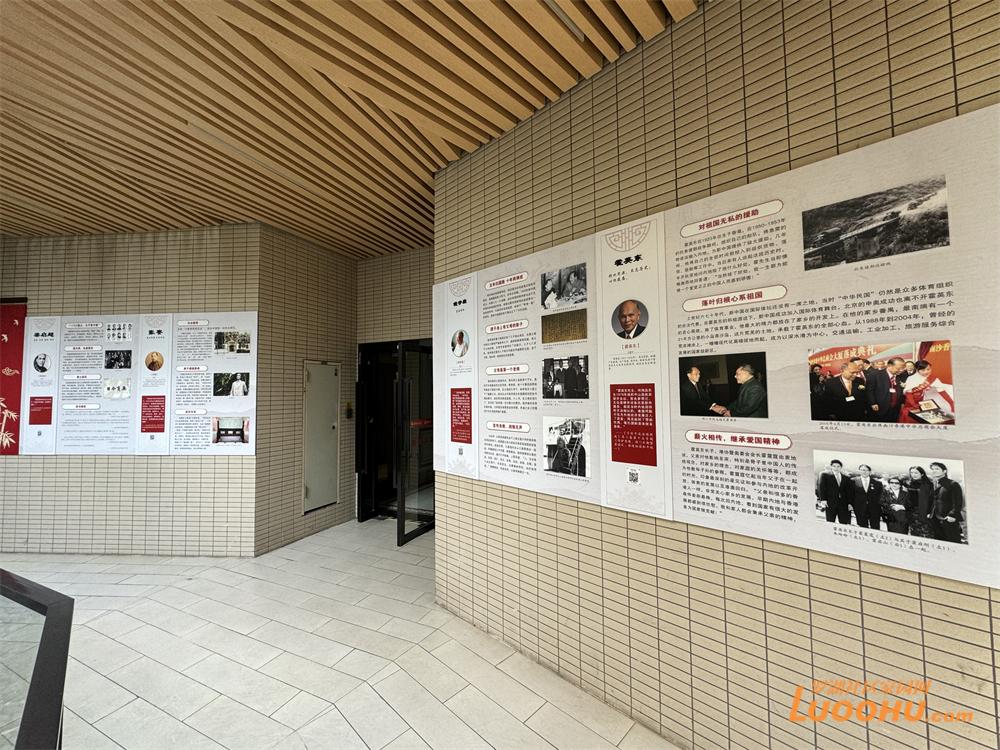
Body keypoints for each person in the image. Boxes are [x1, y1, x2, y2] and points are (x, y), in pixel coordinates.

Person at [929, 462, 963, 543]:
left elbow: (958, 502)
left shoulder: (953, 484)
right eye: (933, 469)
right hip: (935, 518)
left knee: (953, 540)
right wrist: (930, 513)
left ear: (944, 471)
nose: (934, 471)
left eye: (937, 469)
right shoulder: (934, 483)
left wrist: (952, 515)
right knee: (939, 541)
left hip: (948, 518)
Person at [866, 357, 905, 422]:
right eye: (898, 368)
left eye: (903, 368)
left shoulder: (901, 376)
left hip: (895, 409)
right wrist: (873, 403)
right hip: (880, 407)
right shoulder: (875, 375)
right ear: (889, 366)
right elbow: (869, 390)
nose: (901, 370)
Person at [817, 459, 855, 524]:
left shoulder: (846, 477)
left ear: (841, 467)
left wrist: (850, 503)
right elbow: (821, 487)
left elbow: (849, 491)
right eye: (834, 466)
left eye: (838, 466)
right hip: (830, 502)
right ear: (831, 467)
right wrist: (823, 499)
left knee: (843, 522)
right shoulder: (825, 475)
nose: (836, 468)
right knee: (830, 521)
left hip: (843, 503)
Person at [901, 466, 933, 537]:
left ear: (922, 474)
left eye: (916, 473)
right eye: (911, 473)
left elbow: (931, 500)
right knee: (914, 533)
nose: (913, 475)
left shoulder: (928, 484)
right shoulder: (911, 483)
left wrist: (929, 512)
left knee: (925, 534)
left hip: (923, 513)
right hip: (911, 513)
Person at [897, 359, 932, 423]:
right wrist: (914, 404)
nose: (926, 372)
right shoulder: (912, 378)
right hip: (912, 403)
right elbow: (908, 393)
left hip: (925, 403)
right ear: (917, 370)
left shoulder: (931, 378)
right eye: (923, 370)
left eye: (928, 369)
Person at [854, 464, 883, 530]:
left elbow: (880, 496)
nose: (864, 472)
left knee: (875, 527)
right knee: (862, 528)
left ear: (870, 472)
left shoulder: (877, 483)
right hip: (860, 508)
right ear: (859, 471)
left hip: (874, 509)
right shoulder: (853, 481)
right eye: (862, 470)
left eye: (866, 470)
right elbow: (851, 495)